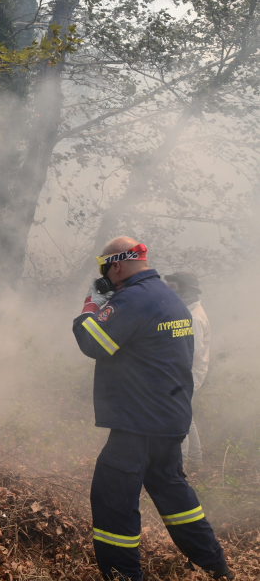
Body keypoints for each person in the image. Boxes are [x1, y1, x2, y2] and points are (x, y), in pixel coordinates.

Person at [72, 237, 234, 581]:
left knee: (113, 501)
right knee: (174, 494)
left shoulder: (132, 300)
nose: (104, 275)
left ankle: (123, 575)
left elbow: (92, 342)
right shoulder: (168, 297)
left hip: (138, 425)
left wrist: (91, 304)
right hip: (168, 421)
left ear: (115, 265)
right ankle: (215, 565)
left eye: (104, 268)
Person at [165, 271, 210, 467]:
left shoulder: (192, 317)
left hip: (187, 375)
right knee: (185, 415)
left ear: (186, 290)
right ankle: (196, 460)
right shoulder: (187, 311)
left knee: (177, 417)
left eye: (173, 288)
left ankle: (179, 463)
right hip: (184, 373)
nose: (169, 292)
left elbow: (193, 353)